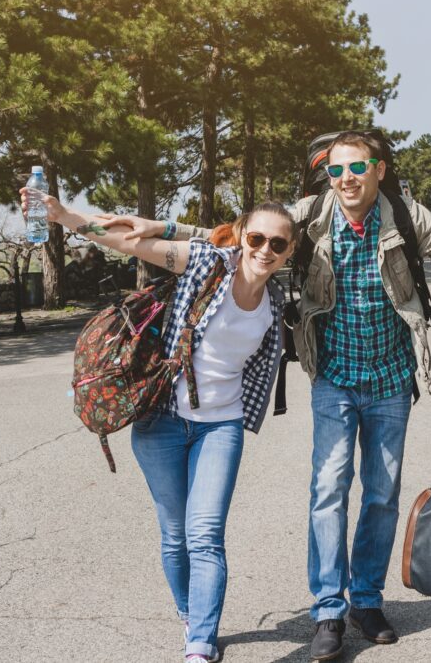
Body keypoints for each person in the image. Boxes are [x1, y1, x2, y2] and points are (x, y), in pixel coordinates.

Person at [96, 130, 431, 661]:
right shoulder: (310, 214)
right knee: (328, 489)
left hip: (392, 379)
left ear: (379, 168)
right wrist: (164, 228)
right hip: (332, 376)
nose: (346, 179)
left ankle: (366, 600)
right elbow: (242, 233)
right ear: (327, 175)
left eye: (357, 168)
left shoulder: (404, 215)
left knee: (381, 493)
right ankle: (328, 608)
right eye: (336, 170)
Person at [20, 189, 296, 663]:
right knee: (175, 534)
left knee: (206, 533)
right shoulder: (207, 263)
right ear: (242, 236)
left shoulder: (277, 301)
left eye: (278, 244)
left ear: (290, 251)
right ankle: (190, 613)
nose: (265, 251)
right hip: (161, 419)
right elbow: (127, 243)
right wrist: (65, 216)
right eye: (257, 238)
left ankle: (200, 643)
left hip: (221, 425)